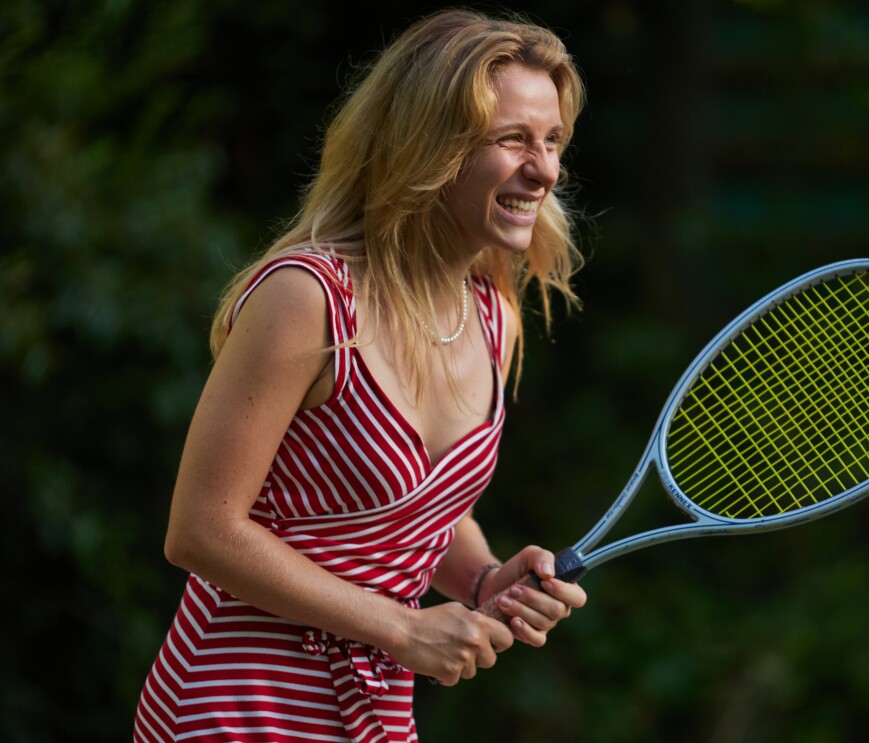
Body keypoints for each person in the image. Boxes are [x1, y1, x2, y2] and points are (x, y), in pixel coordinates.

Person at [134, 9, 588, 742]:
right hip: (235, 703)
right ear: (429, 145)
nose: (545, 169)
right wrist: (402, 628)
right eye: (512, 139)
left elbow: (418, 506)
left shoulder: (492, 314)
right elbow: (201, 530)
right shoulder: (309, 297)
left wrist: (482, 578)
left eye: (553, 140)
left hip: (371, 713)